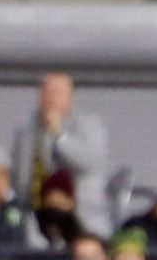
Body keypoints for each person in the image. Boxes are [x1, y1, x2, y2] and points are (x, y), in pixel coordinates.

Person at [12, 72, 110, 234]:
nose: (52, 98)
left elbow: (89, 163)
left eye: (59, 93)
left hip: (83, 216)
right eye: (48, 92)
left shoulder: (90, 125)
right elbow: (18, 173)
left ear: (71, 97)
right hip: (34, 216)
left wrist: (59, 136)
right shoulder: (26, 129)